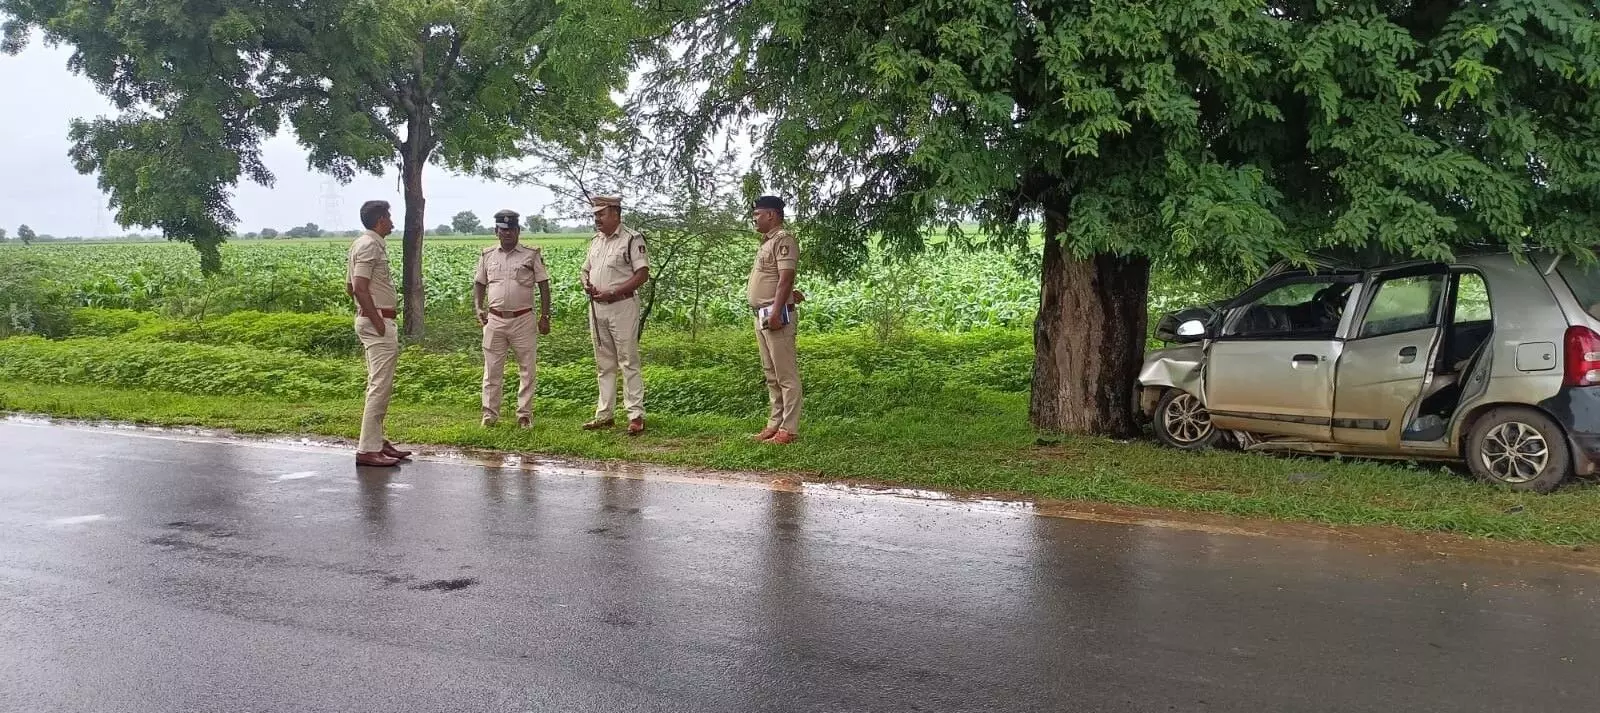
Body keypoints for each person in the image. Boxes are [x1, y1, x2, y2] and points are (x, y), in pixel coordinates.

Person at [346, 200, 411, 467]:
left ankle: (377, 441)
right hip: (377, 322)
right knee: (379, 387)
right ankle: (368, 449)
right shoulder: (369, 245)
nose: (392, 222)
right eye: (389, 217)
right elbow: (359, 288)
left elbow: (349, 287)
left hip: (374, 320)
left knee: (378, 384)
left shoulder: (361, 243)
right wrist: (378, 322)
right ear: (380, 220)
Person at [474, 209, 552, 428]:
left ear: (518, 231)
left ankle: (524, 415)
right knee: (492, 370)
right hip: (494, 320)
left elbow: (544, 285)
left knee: (527, 369)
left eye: (512, 230)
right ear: (496, 231)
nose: (507, 233)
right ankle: (489, 416)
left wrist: (545, 316)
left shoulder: (531, 254)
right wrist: (478, 308)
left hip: (523, 319)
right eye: (503, 230)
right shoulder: (487, 255)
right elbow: (479, 283)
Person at [579, 195, 649, 435]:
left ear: (616, 213)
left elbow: (642, 274)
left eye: (601, 214)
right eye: (595, 214)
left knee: (628, 360)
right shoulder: (596, 241)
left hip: (622, 306)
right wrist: (586, 283)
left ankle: (635, 415)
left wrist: (614, 291)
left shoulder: (631, 238)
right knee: (604, 363)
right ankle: (604, 414)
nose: (597, 218)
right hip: (597, 307)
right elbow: (585, 270)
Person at [746, 195, 804, 444]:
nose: (754, 219)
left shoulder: (783, 240)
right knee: (771, 373)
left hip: (775, 315)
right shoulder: (767, 242)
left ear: (771, 215)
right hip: (762, 316)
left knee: (785, 375)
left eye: (757, 214)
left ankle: (788, 429)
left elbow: (786, 278)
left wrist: (777, 311)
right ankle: (774, 424)